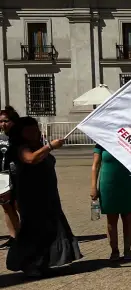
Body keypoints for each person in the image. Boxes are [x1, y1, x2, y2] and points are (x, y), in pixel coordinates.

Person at [4, 117, 81, 277]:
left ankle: (43, 262)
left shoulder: (37, 145)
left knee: (50, 229)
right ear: (21, 132)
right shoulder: (20, 148)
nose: (34, 132)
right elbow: (30, 159)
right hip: (31, 198)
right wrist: (50, 146)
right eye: (29, 130)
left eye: (35, 129)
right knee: (33, 231)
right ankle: (27, 263)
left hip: (48, 195)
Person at [90, 143, 131, 262]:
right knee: (111, 218)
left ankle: (127, 249)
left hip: (128, 181)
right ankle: (114, 250)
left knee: (127, 216)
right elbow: (95, 165)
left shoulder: (129, 139)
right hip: (108, 183)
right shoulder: (101, 142)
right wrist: (93, 186)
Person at [0, 107, 19, 249]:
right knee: (6, 207)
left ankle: (25, 234)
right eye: (0, 121)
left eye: (6, 121)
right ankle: (13, 237)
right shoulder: (0, 137)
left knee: (19, 206)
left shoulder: (20, 137)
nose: (3, 124)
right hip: (3, 176)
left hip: (17, 176)